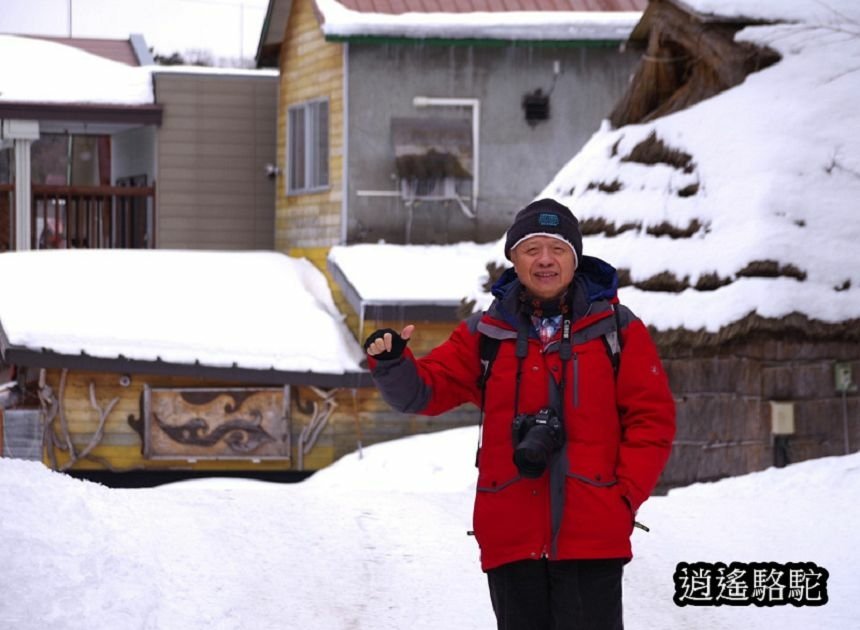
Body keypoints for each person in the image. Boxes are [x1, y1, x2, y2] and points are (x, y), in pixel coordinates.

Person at [364, 198, 676, 630]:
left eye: (557, 249)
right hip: (510, 533)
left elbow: (652, 420)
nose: (545, 260)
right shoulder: (486, 333)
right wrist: (395, 363)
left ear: (575, 257)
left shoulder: (618, 330)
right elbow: (423, 393)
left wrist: (622, 497)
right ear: (513, 258)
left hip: (593, 534)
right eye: (532, 249)